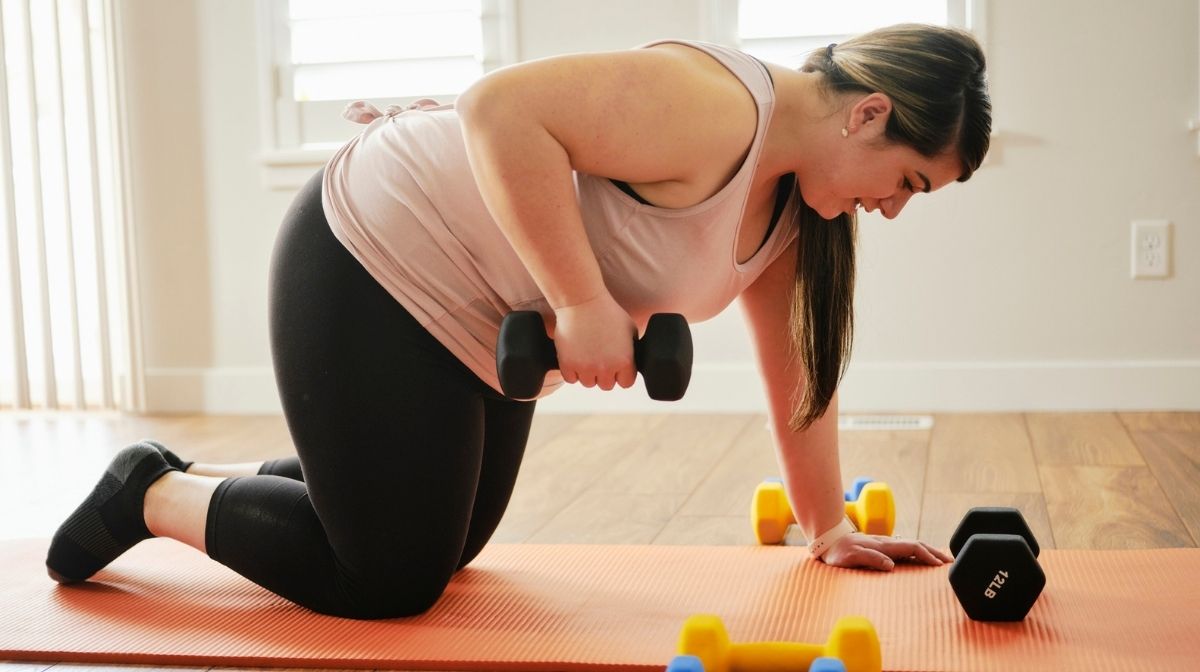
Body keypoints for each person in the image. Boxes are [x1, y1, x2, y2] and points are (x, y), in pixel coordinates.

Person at [45, 23, 990, 619]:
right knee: (389, 580)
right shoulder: (716, 105)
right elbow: (499, 108)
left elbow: (799, 373)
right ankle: (148, 492)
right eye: (909, 182)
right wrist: (582, 304)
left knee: (453, 542)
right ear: (869, 114)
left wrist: (828, 524)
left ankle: (303, 478)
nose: (895, 208)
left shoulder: (798, 212)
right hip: (379, 247)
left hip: (485, 308)